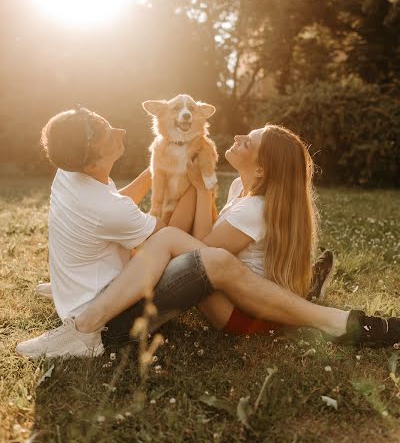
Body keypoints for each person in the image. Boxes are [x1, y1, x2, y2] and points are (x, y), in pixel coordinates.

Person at [16, 107, 400, 358]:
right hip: (203, 301)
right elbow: (201, 248)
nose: (236, 139)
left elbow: (199, 252)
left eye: (247, 141)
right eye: (107, 131)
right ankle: (320, 309)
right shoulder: (242, 192)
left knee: (181, 246)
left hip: (243, 308)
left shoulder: (67, 174)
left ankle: (320, 313)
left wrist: (185, 186)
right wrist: (197, 189)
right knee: (180, 246)